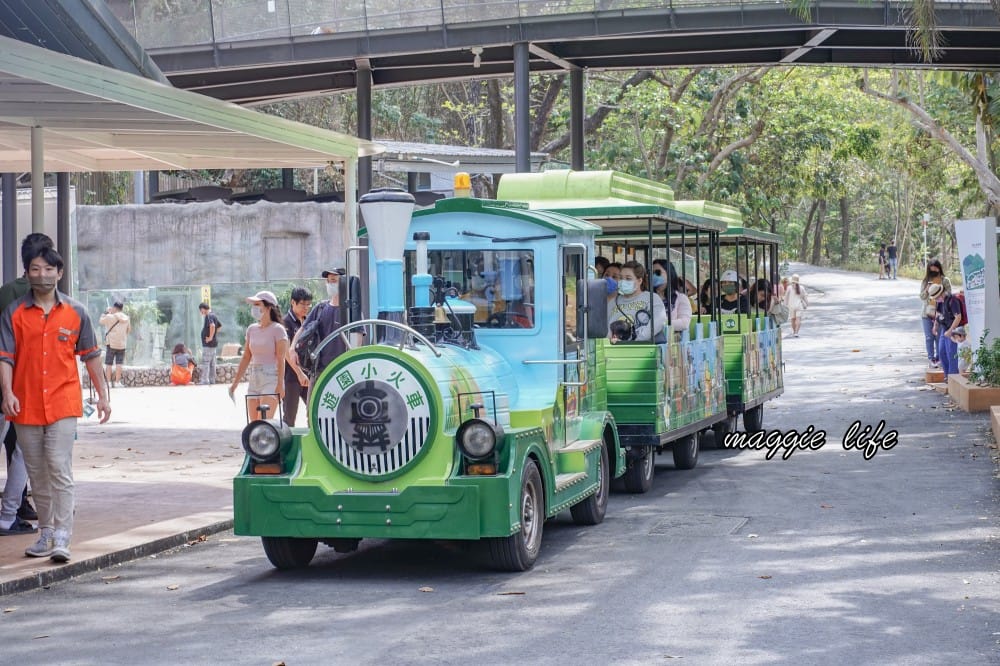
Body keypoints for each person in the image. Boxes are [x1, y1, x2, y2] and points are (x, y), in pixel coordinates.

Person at [0, 243, 110, 562]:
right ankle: (46, 532)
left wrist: (103, 397)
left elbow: (91, 357)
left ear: (59, 273)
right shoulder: (14, 313)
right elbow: (5, 357)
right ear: (26, 273)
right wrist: (7, 394)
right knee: (36, 472)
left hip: (63, 403)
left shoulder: (76, 312)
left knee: (58, 466)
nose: (43, 275)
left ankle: (62, 536)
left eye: (49, 269)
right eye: (36, 269)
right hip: (26, 404)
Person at [0, 233, 52, 537]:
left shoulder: (6, 291)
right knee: (23, 451)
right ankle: (10, 513)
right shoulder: (44, 296)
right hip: (26, 384)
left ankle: (14, 510)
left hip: (6, 381)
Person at [230, 291, 288, 422]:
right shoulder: (251, 329)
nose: (254, 308)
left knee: (264, 422)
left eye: (257, 304)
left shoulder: (278, 329)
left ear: (269, 307)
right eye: (253, 305)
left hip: (271, 377)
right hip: (254, 377)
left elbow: (281, 359)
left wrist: (280, 384)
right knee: (254, 424)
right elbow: (246, 357)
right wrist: (235, 383)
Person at [292, 269, 348, 386]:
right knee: (314, 398)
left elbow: (358, 336)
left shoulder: (350, 310)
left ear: (343, 283)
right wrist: (292, 348)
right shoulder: (320, 308)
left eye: (334, 280)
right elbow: (303, 329)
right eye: (328, 281)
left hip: (343, 369)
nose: (330, 284)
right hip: (319, 370)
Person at [607, 260, 667, 342]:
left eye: (628, 278)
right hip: (615, 346)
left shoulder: (651, 298)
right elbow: (605, 326)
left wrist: (636, 340)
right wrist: (611, 339)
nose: (623, 281)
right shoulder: (613, 302)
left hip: (642, 346)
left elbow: (658, 321)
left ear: (639, 281)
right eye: (621, 278)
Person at [281, 287, 313, 427]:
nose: (306, 308)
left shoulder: (309, 322)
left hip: (308, 375)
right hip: (291, 377)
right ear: (292, 302)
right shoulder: (285, 323)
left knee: (314, 411)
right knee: (289, 417)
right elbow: (286, 351)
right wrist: (299, 373)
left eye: (308, 304)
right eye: (302, 304)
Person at [919, 259, 951, 369]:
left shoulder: (945, 280)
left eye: (935, 270)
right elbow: (922, 297)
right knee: (929, 337)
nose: (933, 272)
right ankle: (931, 358)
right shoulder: (926, 281)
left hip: (941, 313)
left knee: (938, 337)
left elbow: (949, 294)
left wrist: (939, 291)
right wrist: (927, 290)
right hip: (927, 313)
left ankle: (939, 358)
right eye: (931, 270)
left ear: (939, 269)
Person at [652, 259, 691, 337]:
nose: (654, 276)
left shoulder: (680, 298)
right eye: (652, 273)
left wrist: (658, 324)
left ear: (669, 274)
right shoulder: (647, 297)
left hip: (670, 340)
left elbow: (684, 323)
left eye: (658, 272)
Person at [930, 283, 962, 378]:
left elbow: (958, 317)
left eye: (937, 297)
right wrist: (935, 326)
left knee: (951, 354)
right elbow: (938, 314)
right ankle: (947, 376)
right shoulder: (939, 302)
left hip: (953, 330)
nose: (936, 299)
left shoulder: (953, 300)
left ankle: (953, 377)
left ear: (941, 293)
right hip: (944, 329)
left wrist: (950, 331)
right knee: (942, 352)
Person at [99, 301, 131, 388]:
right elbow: (128, 330)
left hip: (111, 344)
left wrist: (106, 312)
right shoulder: (127, 318)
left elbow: (101, 321)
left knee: (109, 363)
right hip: (122, 344)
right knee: (119, 363)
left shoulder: (110, 317)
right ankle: (117, 382)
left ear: (115, 308)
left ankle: (108, 383)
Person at [198, 302, 222, 385]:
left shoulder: (208, 316)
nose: (201, 312)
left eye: (200, 310)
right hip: (213, 344)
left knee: (206, 362)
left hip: (208, 344)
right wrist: (213, 335)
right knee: (212, 363)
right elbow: (219, 326)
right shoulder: (213, 315)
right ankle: (212, 380)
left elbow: (213, 326)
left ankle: (205, 380)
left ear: (203, 309)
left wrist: (210, 337)